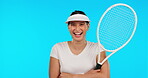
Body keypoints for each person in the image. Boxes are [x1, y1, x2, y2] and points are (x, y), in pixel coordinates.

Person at [49, 10, 110, 78]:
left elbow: (105, 76)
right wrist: (88, 75)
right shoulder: (57, 48)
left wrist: (73, 76)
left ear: (88, 26)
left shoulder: (98, 48)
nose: (77, 29)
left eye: (81, 24)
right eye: (73, 25)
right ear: (68, 27)